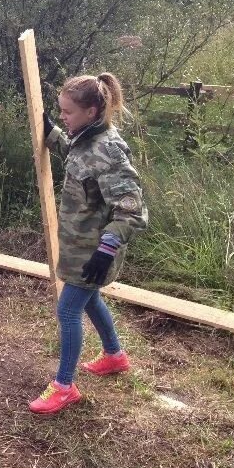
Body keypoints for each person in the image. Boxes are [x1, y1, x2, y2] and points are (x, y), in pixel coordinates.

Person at [29, 73, 148, 414]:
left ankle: (64, 386)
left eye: (68, 112)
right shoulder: (82, 138)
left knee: (68, 309)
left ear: (92, 111)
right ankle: (115, 355)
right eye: (61, 111)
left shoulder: (108, 149)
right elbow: (74, 154)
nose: (63, 117)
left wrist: (107, 248)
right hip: (79, 245)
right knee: (91, 299)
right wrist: (52, 131)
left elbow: (131, 206)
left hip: (96, 251)